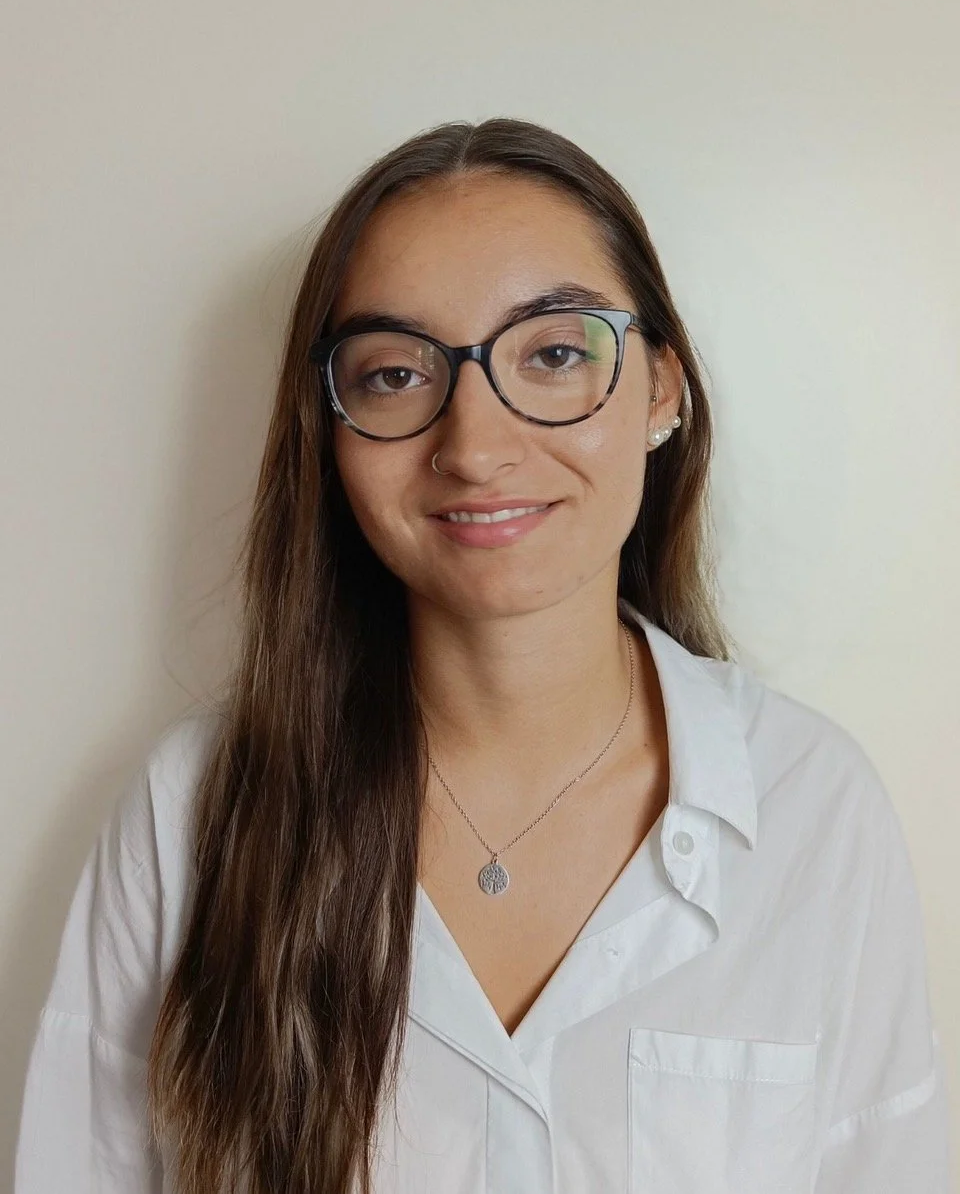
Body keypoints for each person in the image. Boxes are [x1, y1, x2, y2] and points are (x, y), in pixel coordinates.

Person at [15, 118, 952, 1194]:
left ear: (660, 390)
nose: (475, 446)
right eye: (395, 375)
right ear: (329, 431)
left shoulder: (812, 811)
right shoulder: (195, 814)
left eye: (553, 354)